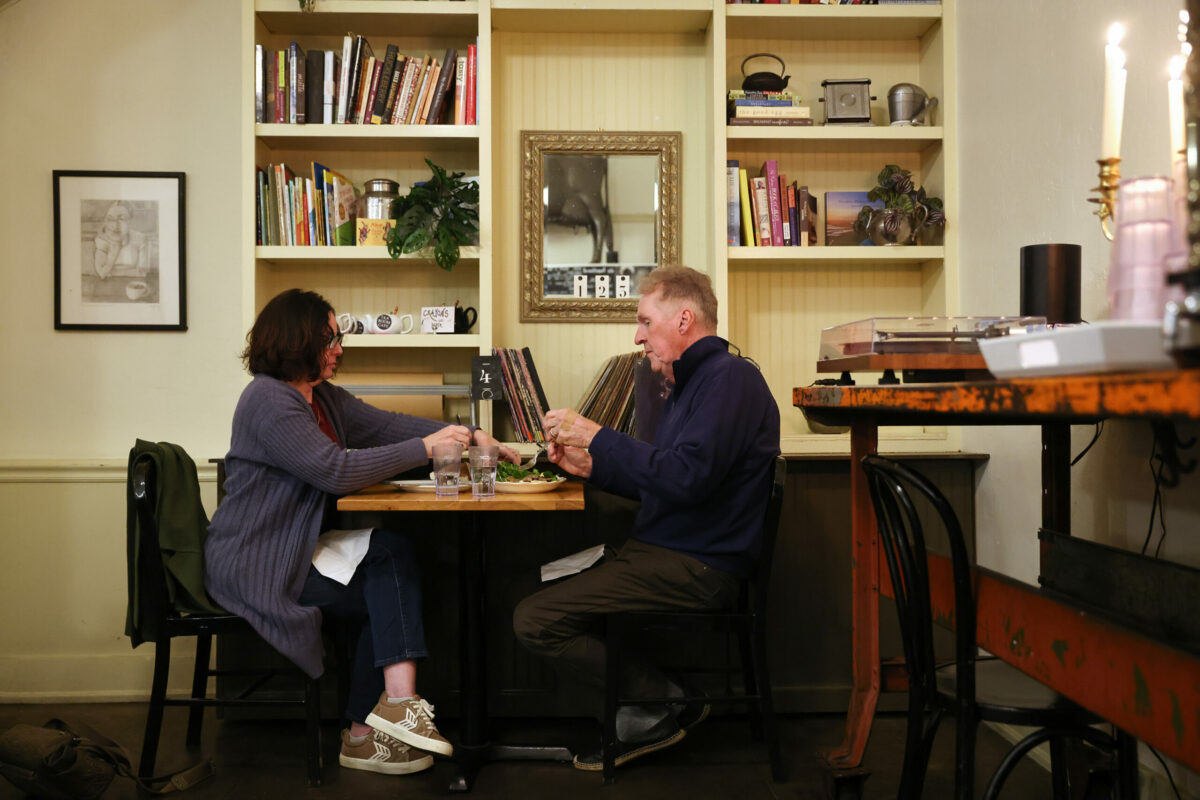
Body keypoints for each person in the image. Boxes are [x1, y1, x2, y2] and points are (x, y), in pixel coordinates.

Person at [205, 289, 517, 777]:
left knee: (390, 568)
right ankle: (382, 717)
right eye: (330, 338)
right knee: (389, 570)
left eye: (338, 337)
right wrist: (427, 448)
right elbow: (335, 470)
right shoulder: (267, 399)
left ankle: (372, 726)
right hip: (257, 561)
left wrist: (470, 434)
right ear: (298, 339)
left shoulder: (323, 398)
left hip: (298, 550)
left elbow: (388, 425)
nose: (339, 348)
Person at [512, 266, 780, 771]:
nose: (638, 337)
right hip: (665, 553)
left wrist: (596, 436)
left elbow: (685, 479)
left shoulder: (731, 379)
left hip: (698, 566)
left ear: (684, 318)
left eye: (644, 321)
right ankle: (645, 707)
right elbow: (665, 479)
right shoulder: (692, 383)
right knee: (527, 589)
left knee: (533, 617)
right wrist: (591, 466)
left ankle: (662, 701)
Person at [93, 201, 153, 280]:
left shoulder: (140, 239)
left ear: (130, 222)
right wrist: (114, 253)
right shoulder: (102, 240)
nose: (115, 226)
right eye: (110, 219)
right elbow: (102, 273)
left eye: (122, 219)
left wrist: (112, 271)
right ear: (105, 222)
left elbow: (142, 273)